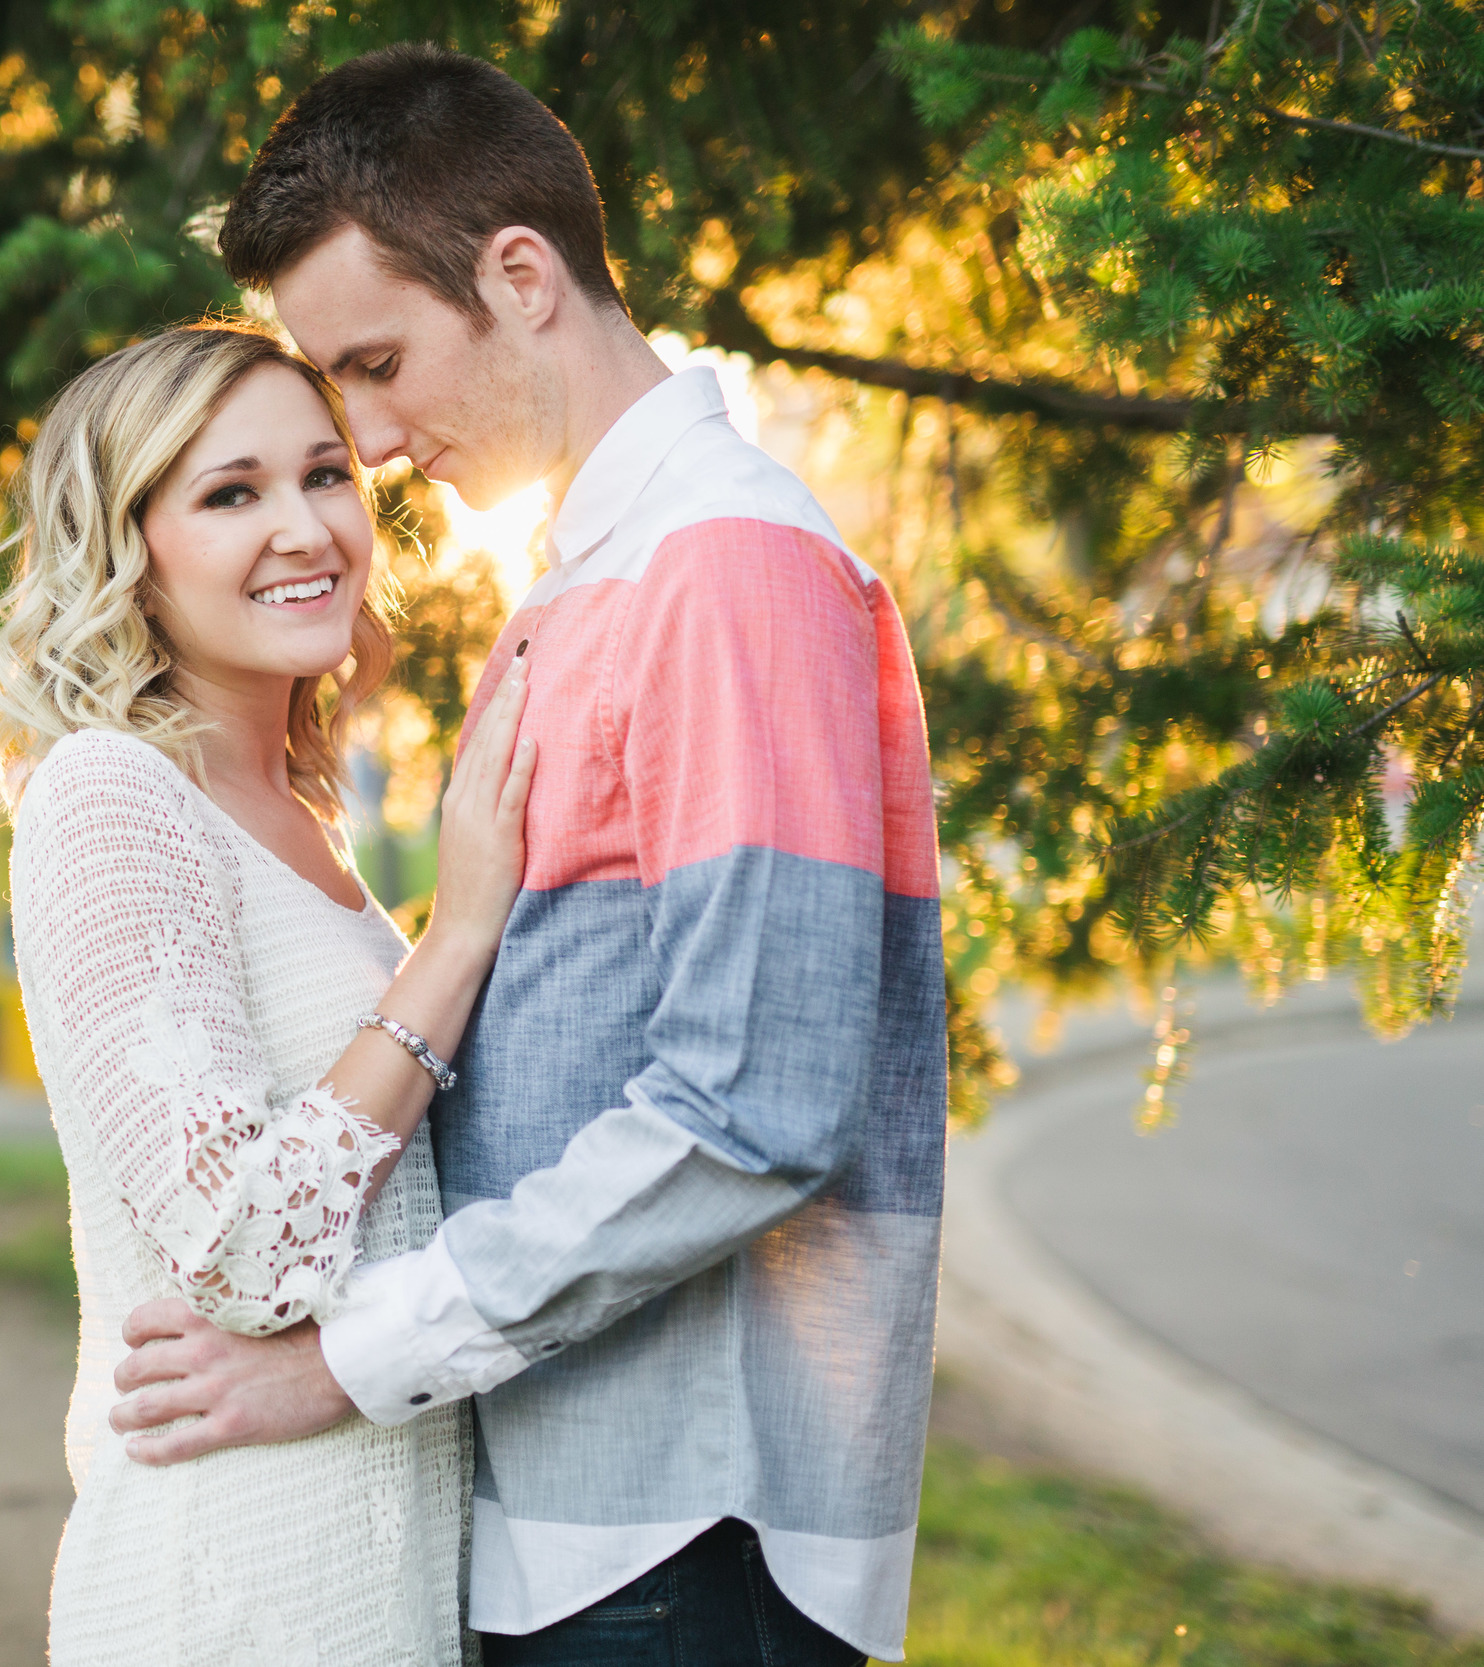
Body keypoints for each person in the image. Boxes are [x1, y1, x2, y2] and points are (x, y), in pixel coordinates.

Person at [106, 43, 948, 1667]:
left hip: (684, 1535)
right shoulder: (601, 574)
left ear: (518, 274)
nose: (372, 438)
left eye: (376, 363)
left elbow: (754, 1106)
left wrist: (343, 1360)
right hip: (582, 1521)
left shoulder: (732, 571)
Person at [0, 319, 537, 1666]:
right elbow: (237, 1249)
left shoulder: (299, 816)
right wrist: (453, 943)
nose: (305, 527)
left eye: (324, 475)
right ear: (128, 547)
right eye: (230, 494)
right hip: (225, 1591)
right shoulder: (111, 797)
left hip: (373, 1581)